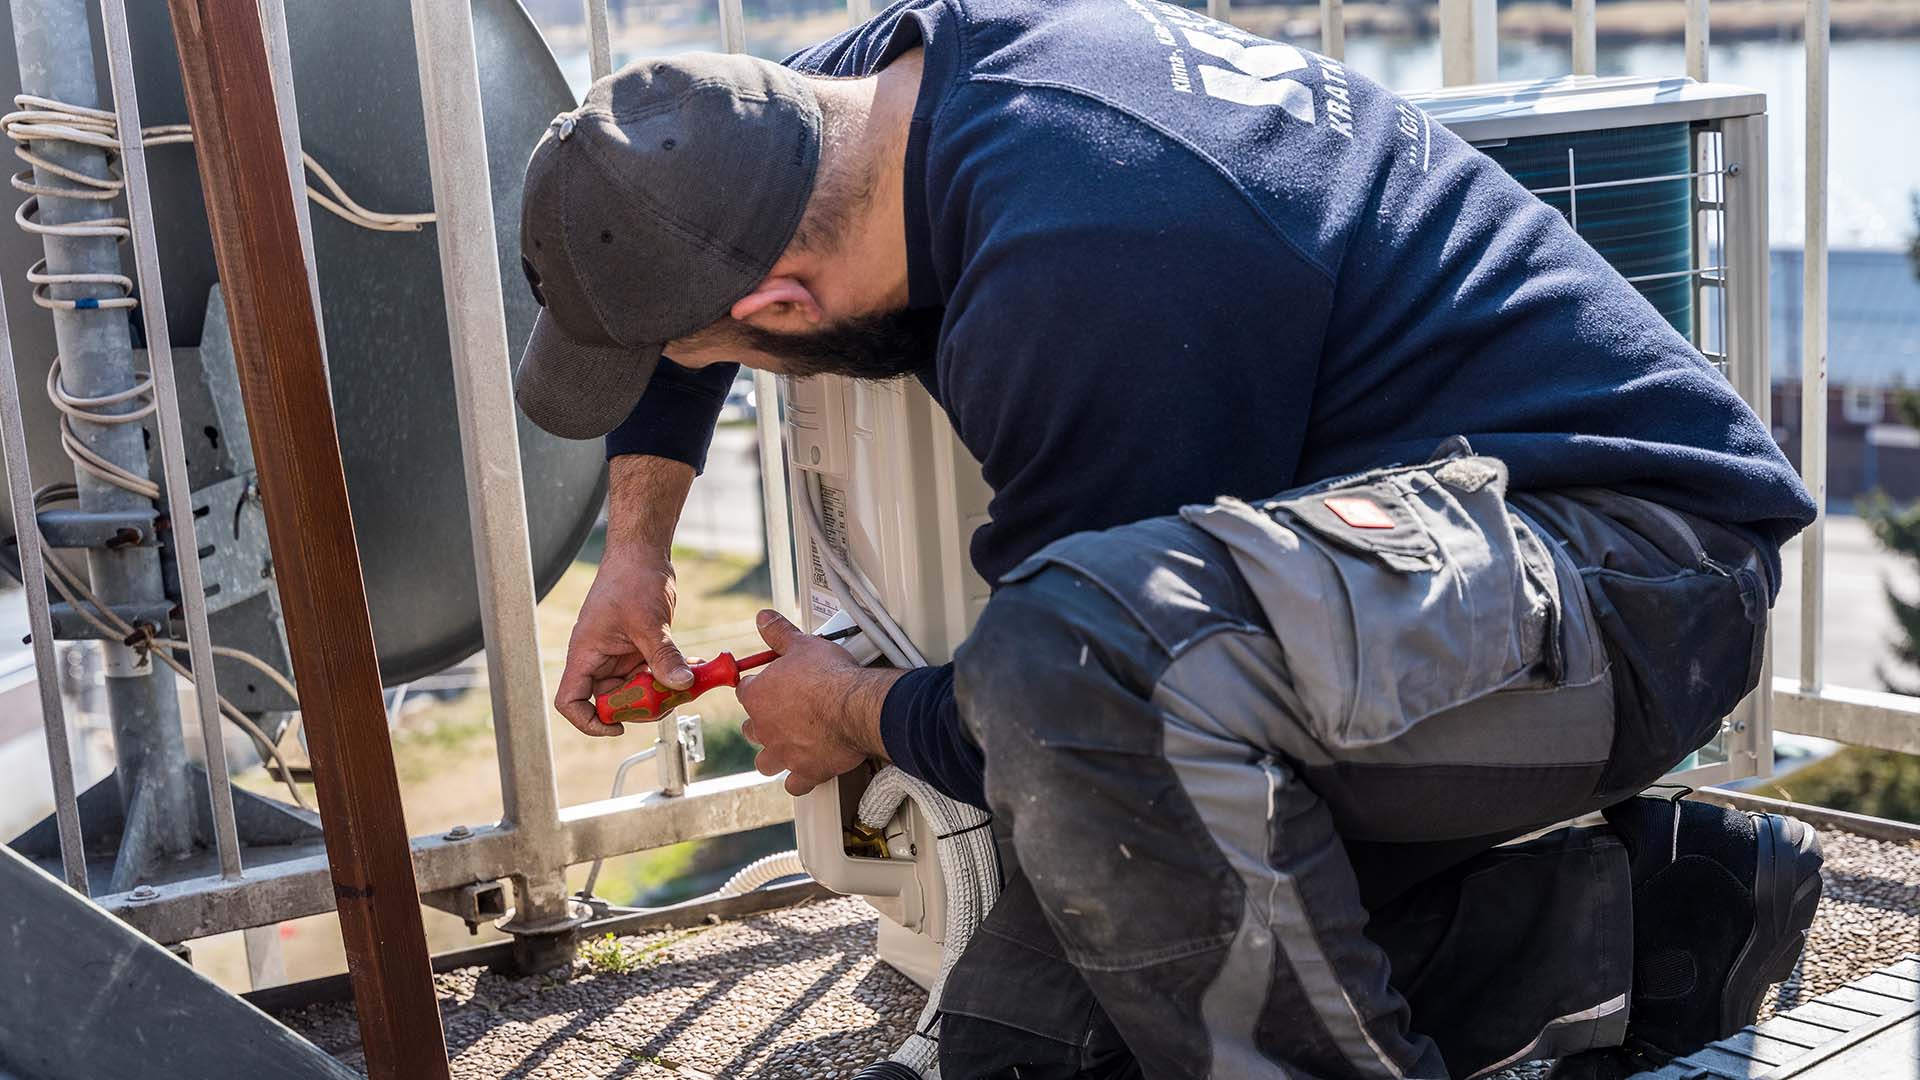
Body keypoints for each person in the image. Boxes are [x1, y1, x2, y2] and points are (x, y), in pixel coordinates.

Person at [513, 2, 1824, 1076]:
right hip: (1398, 612)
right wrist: (637, 552)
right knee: (1015, 1055)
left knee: (1073, 684)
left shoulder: (1080, 274)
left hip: (1628, 586)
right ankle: (1653, 922)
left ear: (784, 301)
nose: (696, 368)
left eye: (709, 347)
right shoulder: (867, 99)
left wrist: (851, 713)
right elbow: (680, 286)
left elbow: (1071, 709)